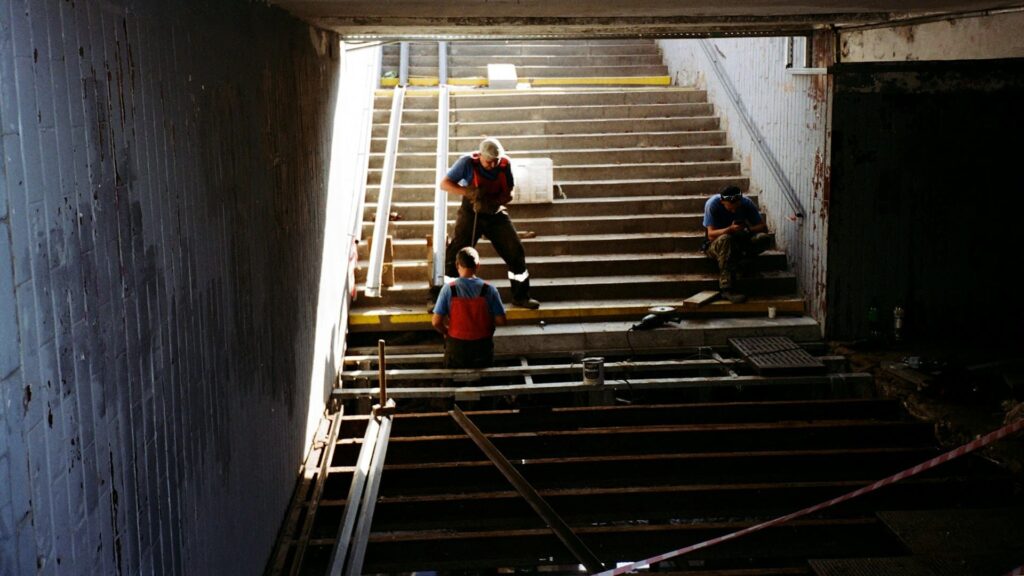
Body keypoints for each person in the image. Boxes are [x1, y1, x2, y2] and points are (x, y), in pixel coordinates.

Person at [439, 137, 540, 309]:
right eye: (488, 162)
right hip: (471, 211)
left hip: (494, 211)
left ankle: (521, 296)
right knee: (457, 252)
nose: (492, 165)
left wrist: (494, 202)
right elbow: (444, 184)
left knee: (515, 251)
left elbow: (509, 193)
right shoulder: (467, 163)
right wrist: (469, 192)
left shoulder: (505, 165)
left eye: (496, 161)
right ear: (480, 156)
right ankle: (443, 298)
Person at [432, 247, 508, 369]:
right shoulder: (489, 289)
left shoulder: (448, 289)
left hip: (456, 347)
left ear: (457, 264)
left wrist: (447, 332)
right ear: (478, 265)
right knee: (483, 382)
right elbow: (501, 320)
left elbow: (436, 322)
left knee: (453, 381)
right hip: (482, 347)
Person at [702, 185, 772, 303]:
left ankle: (743, 263)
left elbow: (763, 227)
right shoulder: (712, 204)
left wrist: (747, 230)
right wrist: (729, 229)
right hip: (716, 244)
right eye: (730, 208)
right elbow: (711, 234)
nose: (734, 211)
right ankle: (726, 289)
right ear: (722, 202)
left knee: (764, 238)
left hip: (740, 241)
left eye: (737, 208)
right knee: (726, 239)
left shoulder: (746, 203)